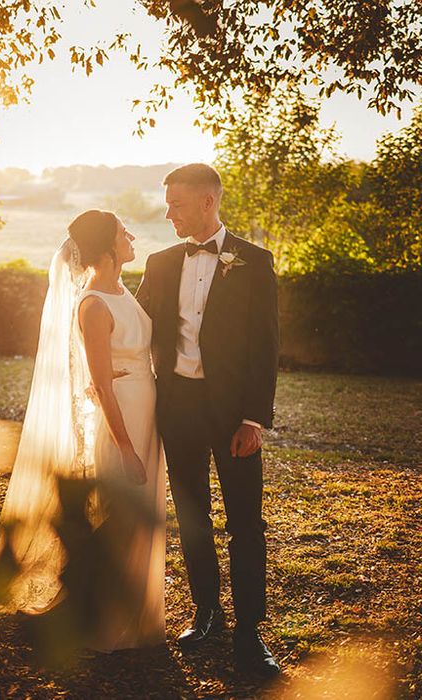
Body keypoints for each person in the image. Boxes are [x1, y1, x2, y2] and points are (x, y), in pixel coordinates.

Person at [0, 209, 167, 652]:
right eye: (123, 231)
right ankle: (104, 625)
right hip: (120, 421)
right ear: (107, 245)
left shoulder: (123, 290)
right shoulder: (92, 304)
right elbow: (103, 385)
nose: (131, 236)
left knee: (143, 521)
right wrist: (125, 447)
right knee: (119, 517)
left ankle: (138, 619)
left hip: (147, 412)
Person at [136, 163, 280, 677]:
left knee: (246, 523)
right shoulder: (159, 262)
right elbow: (135, 328)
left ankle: (250, 631)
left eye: (176, 202)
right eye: (167, 202)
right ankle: (208, 613)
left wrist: (253, 420)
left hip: (233, 415)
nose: (168, 211)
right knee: (193, 518)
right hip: (178, 411)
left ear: (207, 202)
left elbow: (265, 348)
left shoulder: (256, 262)